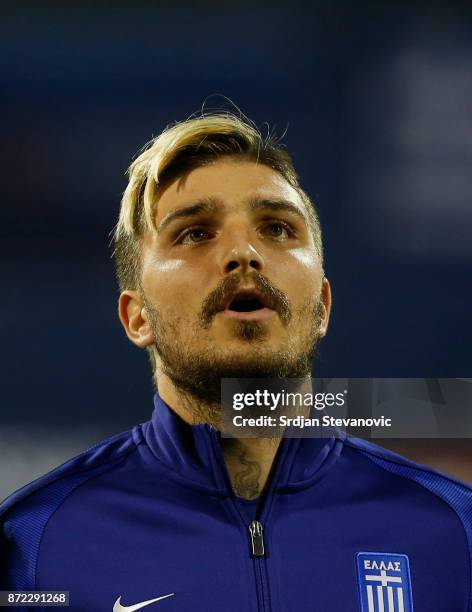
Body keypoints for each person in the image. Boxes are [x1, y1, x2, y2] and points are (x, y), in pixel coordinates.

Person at [1, 111, 471, 612]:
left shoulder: (453, 533)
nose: (243, 253)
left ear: (322, 307)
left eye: (276, 228)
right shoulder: (34, 546)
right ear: (137, 317)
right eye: (196, 233)